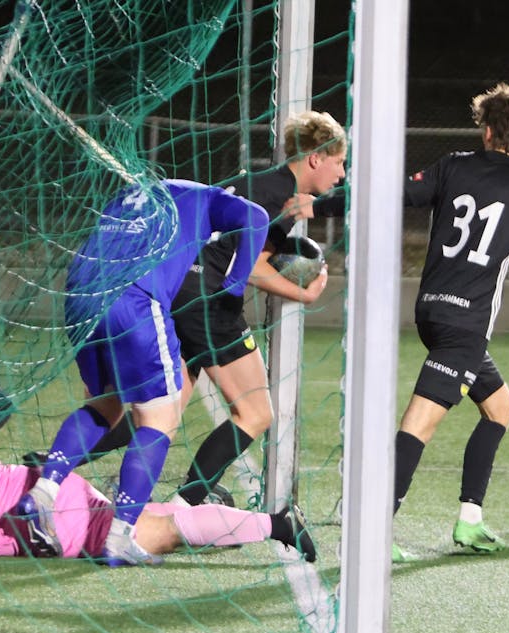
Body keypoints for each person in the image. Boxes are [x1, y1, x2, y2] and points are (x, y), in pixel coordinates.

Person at [83, 111, 346, 510]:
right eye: (339, 162)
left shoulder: (252, 182)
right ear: (316, 158)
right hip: (210, 303)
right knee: (256, 413)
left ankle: (47, 467)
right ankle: (185, 506)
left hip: (176, 293)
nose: (341, 174)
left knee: (159, 415)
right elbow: (253, 268)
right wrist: (303, 293)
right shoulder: (280, 198)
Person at [14, 179, 269, 566]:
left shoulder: (134, 195)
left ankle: (43, 492)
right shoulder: (209, 197)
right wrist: (233, 288)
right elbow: (256, 216)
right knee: (160, 417)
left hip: (81, 296)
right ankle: (121, 538)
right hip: (134, 299)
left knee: (105, 405)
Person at [0, 374, 315, 563]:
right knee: (155, 519)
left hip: (50, 532)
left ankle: (275, 525)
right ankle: (267, 522)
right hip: (52, 491)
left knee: (165, 533)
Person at [391, 83, 509, 562]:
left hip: (431, 309)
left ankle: (470, 521)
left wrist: (328, 202)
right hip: (465, 325)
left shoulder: (451, 165)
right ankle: (374, 527)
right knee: (419, 424)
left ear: (487, 130)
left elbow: (403, 194)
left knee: (500, 408)